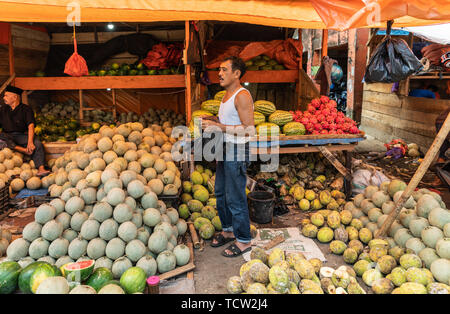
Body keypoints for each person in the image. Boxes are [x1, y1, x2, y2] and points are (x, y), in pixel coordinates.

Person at [201, 56, 255, 257]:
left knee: (235, 196)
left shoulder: (242, 95)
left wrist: (219, 126)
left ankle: (243, 241)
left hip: (237, 150)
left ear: (237, 74)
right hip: (225, 148)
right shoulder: (225, 96)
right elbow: (229, 122)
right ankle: (228, 230)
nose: (219, 73)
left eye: (224, 70)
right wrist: (213, 120)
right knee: (221, 192)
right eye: (219, 70)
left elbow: (249, 130)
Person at [1, 85, 49, 176]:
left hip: (21, 136)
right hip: (6, 136)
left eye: (6, 95)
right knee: (1, 139)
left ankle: (41, 168)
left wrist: (30, 142)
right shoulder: (2, 110)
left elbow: (31, 126)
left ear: (15, 97)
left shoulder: (26, 109)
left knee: (38, 144)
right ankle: (23, 150)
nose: (4, 98)